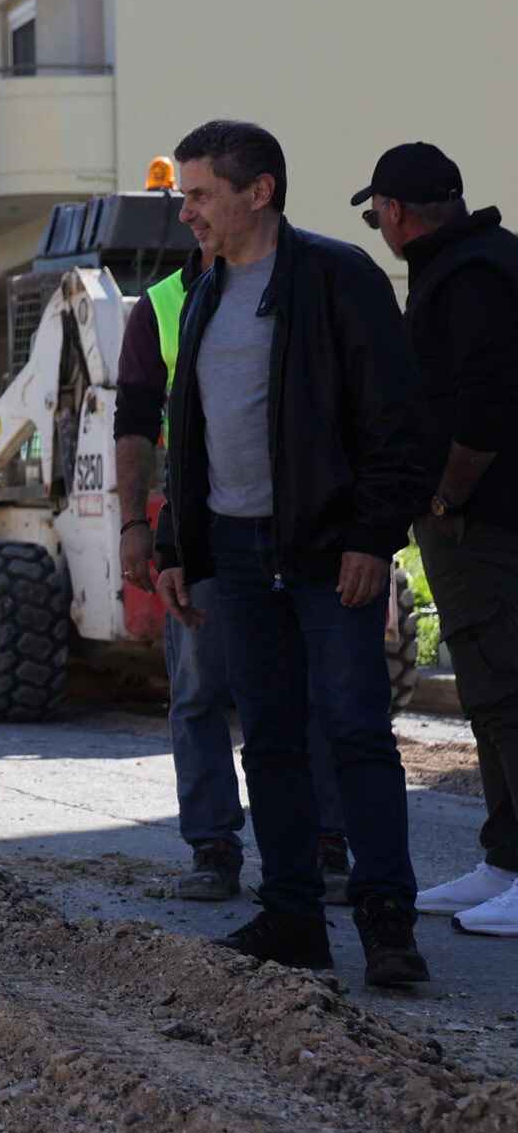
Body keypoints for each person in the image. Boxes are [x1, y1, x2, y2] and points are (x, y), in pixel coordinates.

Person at [153, 120, 430, 988]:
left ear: (259, 190)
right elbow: (188, 434)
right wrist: (175, 543)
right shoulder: (201, 293)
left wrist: (372, 537)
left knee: (354, 730)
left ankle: (385, 918)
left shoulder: (340, 276)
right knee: (268, 736)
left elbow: (396, 423)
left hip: (327, 548)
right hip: (238, 553)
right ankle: (294, 915)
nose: (187, 211)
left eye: (200, 193)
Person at [118, 250, 352, 903]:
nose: (193, 214)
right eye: (187, 202)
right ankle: (213, 845)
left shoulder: (306, 283)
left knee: (309, 690)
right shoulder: (161, 306)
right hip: (202, 527)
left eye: (202, 201)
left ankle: (324, 841)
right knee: (198, 688)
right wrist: (134, 522)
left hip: (301, 523)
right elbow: (134, 421)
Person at [359, 144, 518, 936]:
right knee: (488, 691)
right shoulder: (474, 261)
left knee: (506, 685)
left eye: (375, 214)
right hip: (477, 518)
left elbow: (486, 405)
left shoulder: (470, 275)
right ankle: (505, 859)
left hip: (486, 521)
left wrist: (449, 496)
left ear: (396, 212)